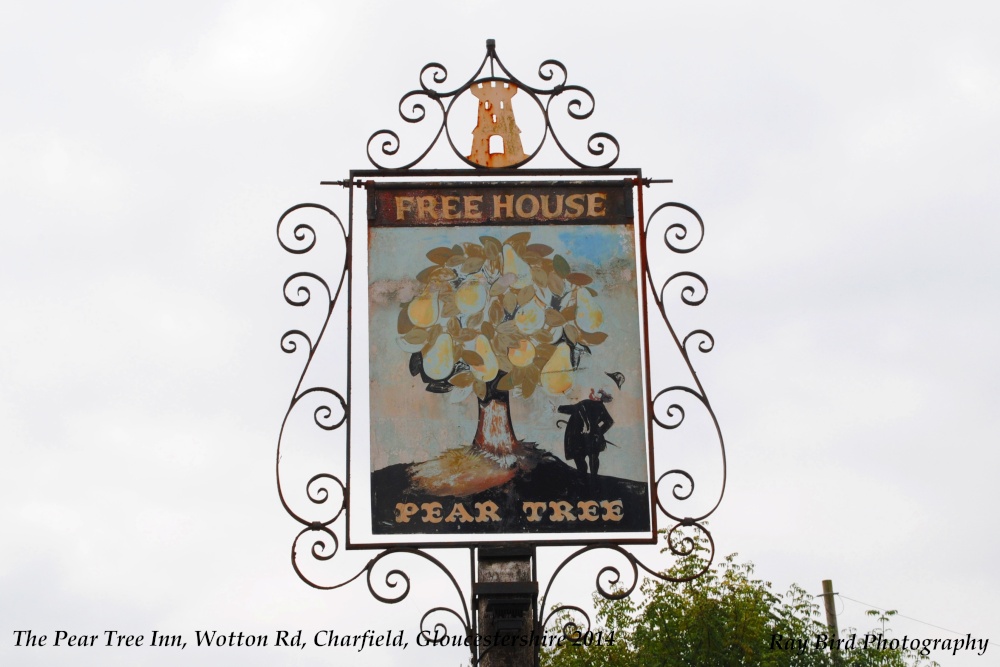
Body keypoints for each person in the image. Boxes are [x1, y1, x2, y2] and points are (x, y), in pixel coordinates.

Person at [557, 389, 614, 479]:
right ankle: (593, 480)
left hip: (579, 440)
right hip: (593, 439)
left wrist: (558, 408)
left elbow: (572, 409)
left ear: (599, 398)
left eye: (595, 393)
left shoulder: (585, 403)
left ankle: (585, 482)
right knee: (593, 461)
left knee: (582, 462)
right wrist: (599, 432)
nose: (592, 392)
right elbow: (609, 422)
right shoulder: (601, 407)